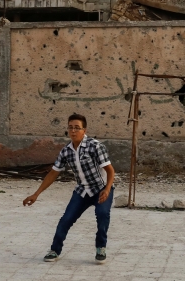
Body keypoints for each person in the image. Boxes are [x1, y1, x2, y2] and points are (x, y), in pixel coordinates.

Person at [23, 113, 116, 264]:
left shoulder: (95, 147)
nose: (73, 131)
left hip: (101, 189)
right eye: (70, 128)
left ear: (84, 130)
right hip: (82, 191)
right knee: (66, 219)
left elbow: (111, 171)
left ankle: (101, 248)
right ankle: (54, 250)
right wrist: (36, 194)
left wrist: (107, 189)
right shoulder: (66, 151)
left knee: (102, 215)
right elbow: (53, 173)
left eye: (77, 128)